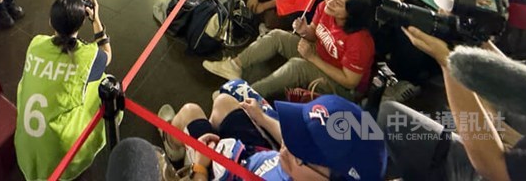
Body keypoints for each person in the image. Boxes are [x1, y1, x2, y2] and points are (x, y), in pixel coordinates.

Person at [379, 31, 526, 181]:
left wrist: (449, 63)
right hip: (521, 151)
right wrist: (476, 37)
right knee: (389, 113)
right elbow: (517, 76)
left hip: (492, 169)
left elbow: (492, 167)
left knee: (391, 120)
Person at [204, 0, 374, 100]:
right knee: (277, 35)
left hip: (341, 86)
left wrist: (312, 58)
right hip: (319, 55)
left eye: (338, 3)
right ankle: (234, 65)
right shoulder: (325, 7)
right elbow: (314, 34)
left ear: (351, 13)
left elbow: (350, 81)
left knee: (297, 66)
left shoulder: (360, 40)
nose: (330, 2)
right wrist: (304, 31)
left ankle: (245, 96)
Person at [160, 93, 386, 181]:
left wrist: (200, 168)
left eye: (299, 150)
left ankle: (174, 146)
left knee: (190, 111)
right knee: (224, 102)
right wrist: (262, 118)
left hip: (222, 172)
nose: (285, 147)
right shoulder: (301, 168)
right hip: (251, 155)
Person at [15, 0, 110, 181]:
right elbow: (107, 53)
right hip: (60, 151)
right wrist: (96, 20)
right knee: (103, 82)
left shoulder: (36, 44)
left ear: (51, 22)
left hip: (25, 146)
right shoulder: (88, 57)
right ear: (81, 23)